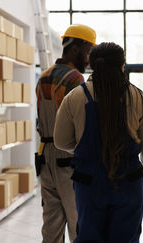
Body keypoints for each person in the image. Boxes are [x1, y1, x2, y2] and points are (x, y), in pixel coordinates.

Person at [54, 42, 143, 242]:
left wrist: (86, 152)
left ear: (92, 64)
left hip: (89, 182)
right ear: (122, 65)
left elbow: (60, 141)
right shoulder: (138, 96)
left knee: (89, 237)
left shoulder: (75, 97)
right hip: (128, 182)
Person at [36, 24, 96, 243]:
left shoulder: (43, 77)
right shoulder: (75, 79)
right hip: (68, 161)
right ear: (76, 49)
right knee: (78, 221)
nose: (89, 58)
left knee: (51, 225)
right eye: (88, 51)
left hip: (44, 160)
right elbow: (79, 125)